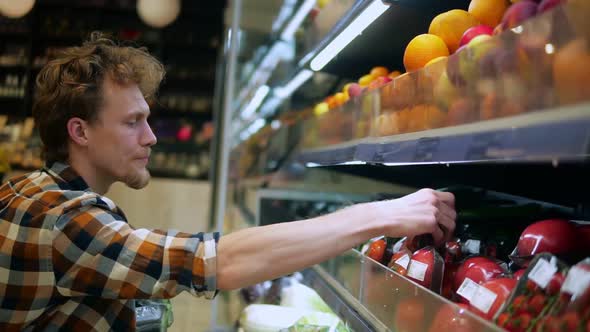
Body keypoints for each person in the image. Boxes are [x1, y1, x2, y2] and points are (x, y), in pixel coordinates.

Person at [0, 32, 456, 331]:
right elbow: (215, 262)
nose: (152, 136)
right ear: (79, 132)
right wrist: (380, 214)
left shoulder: (26, 192)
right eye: (132, 122)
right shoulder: (67, 221)